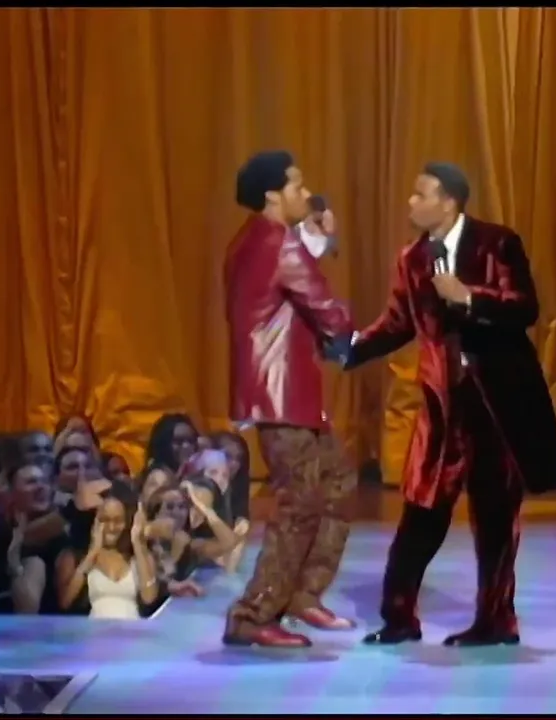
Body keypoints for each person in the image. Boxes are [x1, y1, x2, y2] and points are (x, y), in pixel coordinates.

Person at [341, 162, 556, 647]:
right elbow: (398, 322)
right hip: (444, 409)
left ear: (448, 202)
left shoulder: (496, 243)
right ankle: (399, 617)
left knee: (496, 517)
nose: (410, 202)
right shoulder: (412, 259)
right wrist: (351, 348)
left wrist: (469, 297)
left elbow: (524, 307)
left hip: (495, 405)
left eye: (420, 194)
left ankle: (496, 621)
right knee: (421, 511)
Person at [220, 150, 360, 648]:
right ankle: (254, 612)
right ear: (273, 195)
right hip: (282, 394)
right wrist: (355, 339)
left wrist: (316, 242)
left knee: (337, 481)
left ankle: (302, 593)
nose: (306, 193)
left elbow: (289, 283)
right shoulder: (278, 242)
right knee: (299, 503)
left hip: (285, 392)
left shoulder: (252, 240)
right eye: (297, 186)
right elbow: (323, 305)